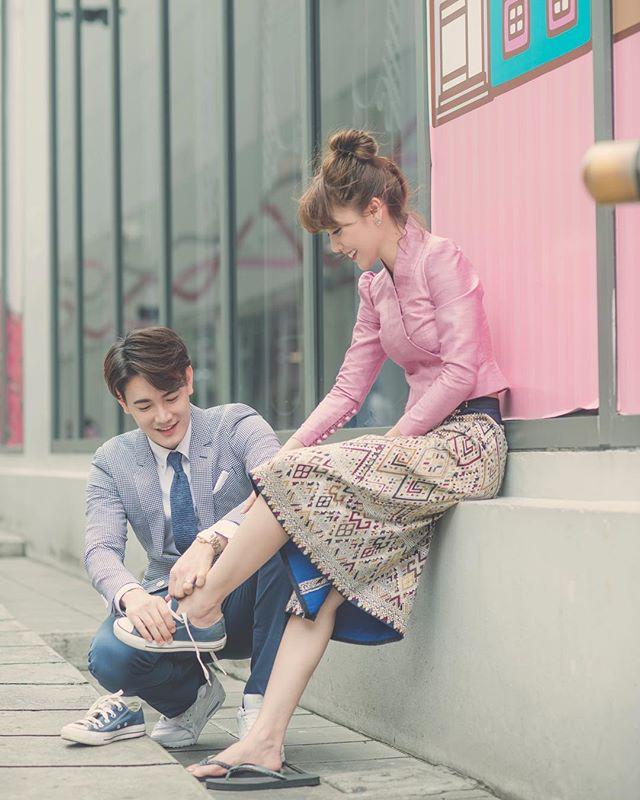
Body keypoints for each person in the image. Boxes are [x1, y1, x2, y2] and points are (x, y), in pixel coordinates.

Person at [127, 129, 509, 786]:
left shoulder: (441, 260)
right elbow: (346, 391)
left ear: (376, 210)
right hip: (415, 452)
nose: (336, 246)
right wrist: (287, 456)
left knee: (303, 483)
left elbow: (461, 371)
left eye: (339, 230)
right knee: (315, 583)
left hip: (466, 442)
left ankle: (205, 604)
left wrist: (391, 442)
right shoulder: (374, 289)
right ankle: (263, 743)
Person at [60, 327, 292, 748]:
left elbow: (279, 485)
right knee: (108, 655)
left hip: (248, 598)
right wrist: (133, 597)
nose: (163, 417)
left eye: (171, 398)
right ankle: (191, 699)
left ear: (188, 379)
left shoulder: (235, 423)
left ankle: (259, 705)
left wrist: (212, 540)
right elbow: (100, 548)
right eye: (144, 406)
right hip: (172, 606)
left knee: (282, 536)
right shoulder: (112, 461)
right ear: (122, 402)